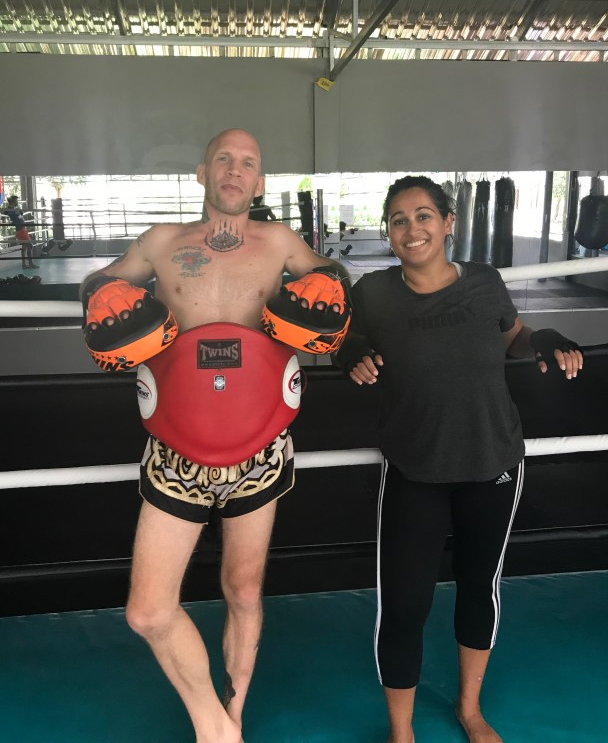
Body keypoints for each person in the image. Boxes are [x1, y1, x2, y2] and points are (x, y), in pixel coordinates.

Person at [79, 128, 350, 743]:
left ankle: (235, 716)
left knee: (244, 590)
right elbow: (97, 285)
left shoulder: (279, 242)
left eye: (247, 163)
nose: (234, 170)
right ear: (202, 172)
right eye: (223, 159)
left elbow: (332, 277)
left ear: (259, 180)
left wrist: (331, 284)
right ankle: (214, 727)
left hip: (261, 444)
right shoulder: (161, 242)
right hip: (176, 447)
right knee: (148, 610)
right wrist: (102, 295)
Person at [334, 175, 583, 743]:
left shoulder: (485, 281)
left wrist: (543, 338)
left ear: (448, 223)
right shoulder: (373, 293)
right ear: (388, 233)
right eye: (398, 219)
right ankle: (402, 732)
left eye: (423, 215)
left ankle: (469, 710)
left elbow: (512, 334)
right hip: (415, 468)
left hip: (493, 462)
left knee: (478, 587)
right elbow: (339, 340)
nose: (411, 228)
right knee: (404, 604)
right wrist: (350, 352)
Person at [2, 195, 38, 269]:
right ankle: (30, 263)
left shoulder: (15, 209)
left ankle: (24, 265)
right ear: (12, 202)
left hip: (22, 229)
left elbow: (20, 215)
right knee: (29, 245)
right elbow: (4, 213)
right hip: (21, 230)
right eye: (16, 201)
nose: (17, 202)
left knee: (24, 247)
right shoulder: (9, 210)